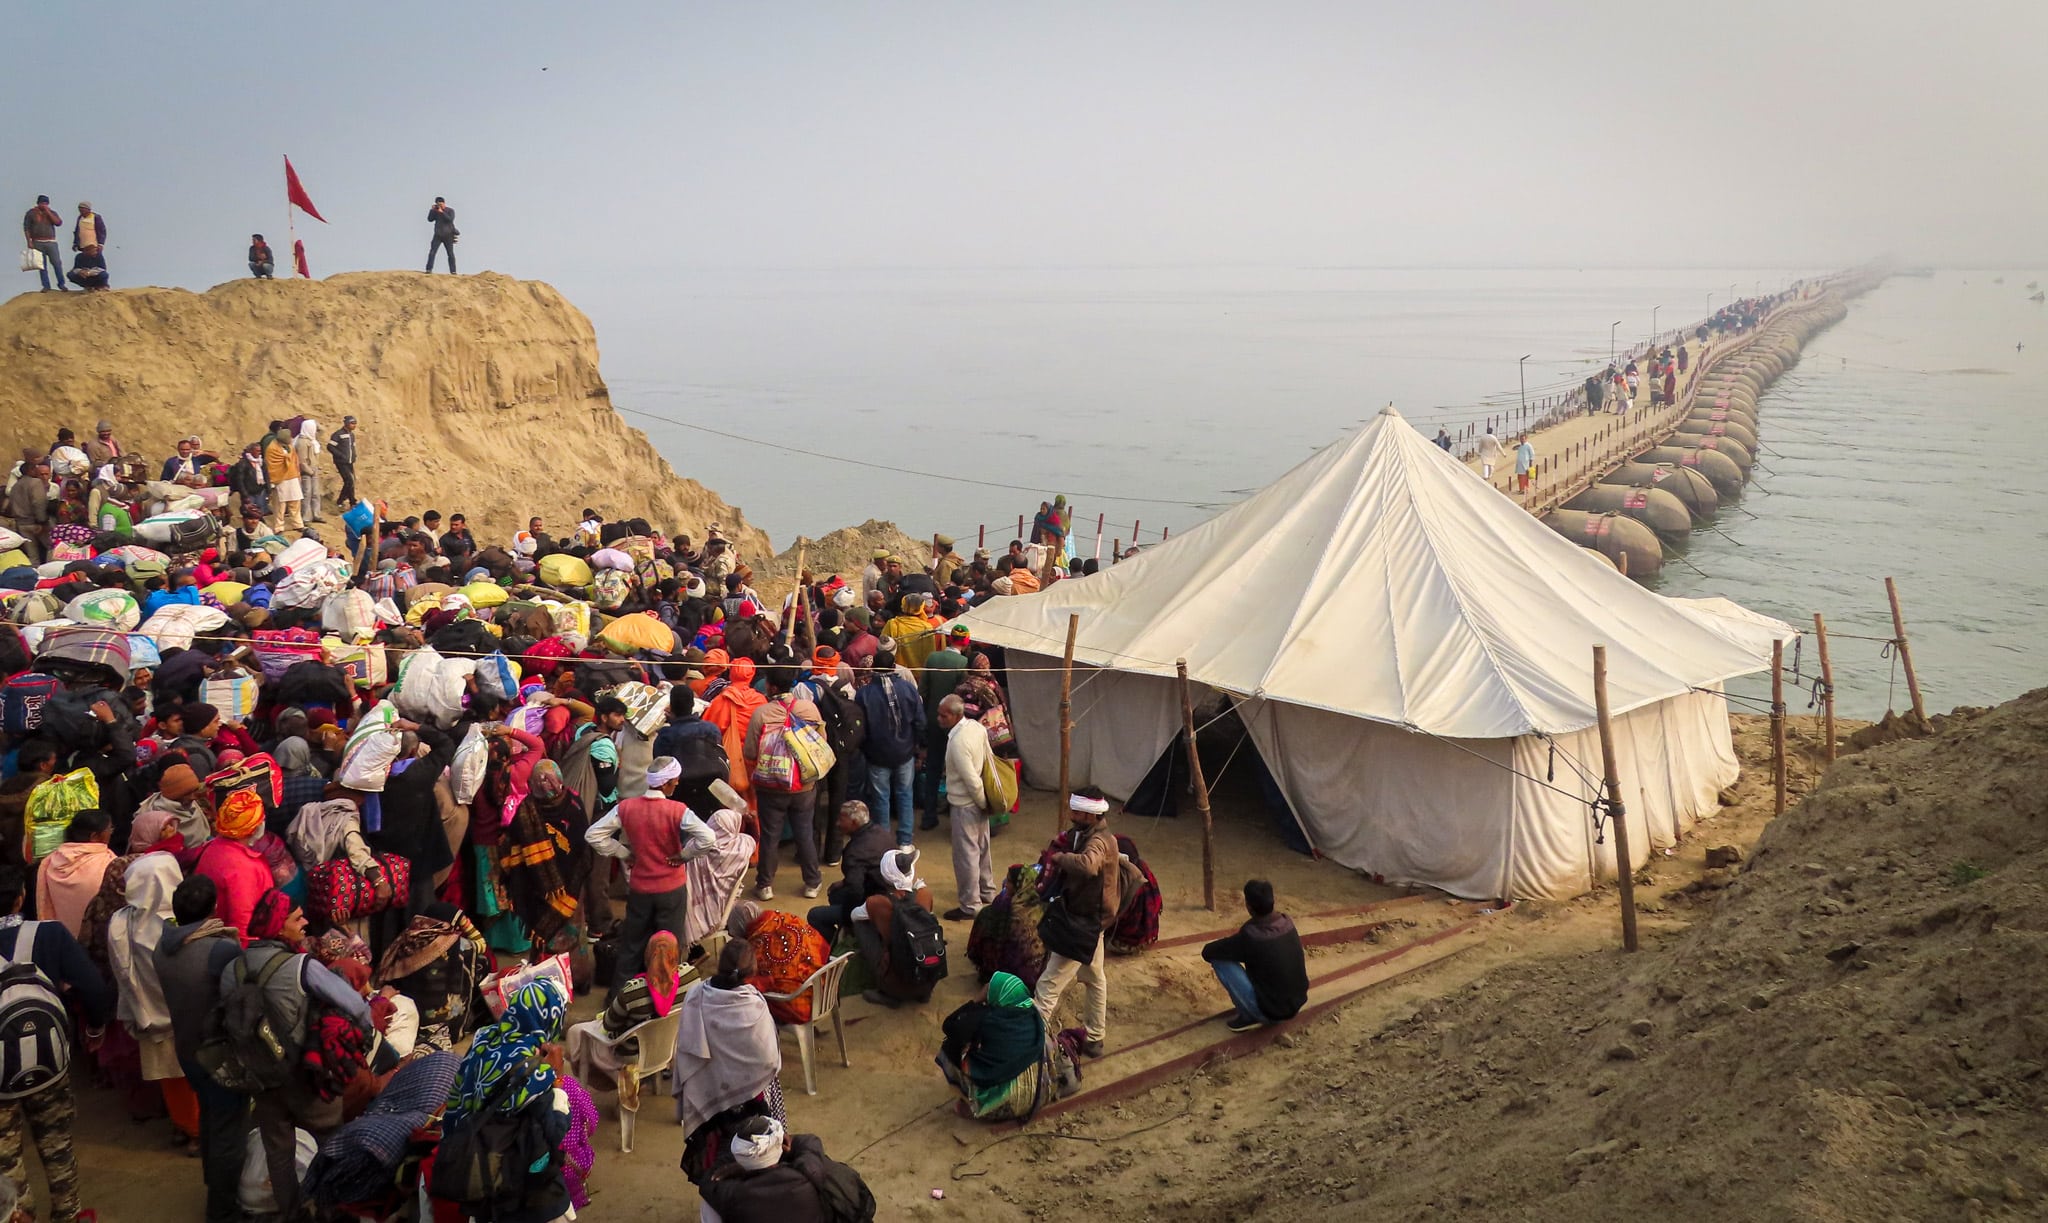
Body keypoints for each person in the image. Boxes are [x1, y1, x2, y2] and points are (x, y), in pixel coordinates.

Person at [232, 890, 373, 1222]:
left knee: (278, 1152)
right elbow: (354, 1005)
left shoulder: (235, 967)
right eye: (297, 918)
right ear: (280, 928)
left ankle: (291, 1215)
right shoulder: (300, 966)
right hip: (305, 1074)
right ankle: (330, 1211)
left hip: (261, 1076)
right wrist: (364, 1036)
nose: (306, 921)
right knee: (330, 1142)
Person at [0, 865, 110, 1223]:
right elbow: (94, 989)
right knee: (56, 1142)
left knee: (7, 1155)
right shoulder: (49, 934)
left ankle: (18, 1214)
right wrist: (94, 1029)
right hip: (49, 1059)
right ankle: (69, 1213)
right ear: (20, 898)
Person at [440, 980, 573, 1223]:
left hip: (473, 1162)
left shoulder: (483, 1039)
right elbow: (555, 1130)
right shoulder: (536, 1072)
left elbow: (459, 1094)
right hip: (513, 1179)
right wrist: (556, 1079)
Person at [156, 875, 246, 1223]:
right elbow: (239, 999)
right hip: (218, 1053)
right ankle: (223, 1209)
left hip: (187, 1048)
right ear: (213, 909)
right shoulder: (219, 949)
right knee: (228, 1130)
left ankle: (216, 1187)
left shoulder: (163, 947)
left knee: (211, 1119)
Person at [584, 755, 717, 988]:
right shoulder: (677, 810)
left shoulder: (626, 807)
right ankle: (664, 999)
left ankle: (618, 999)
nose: (677, 784)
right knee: (669, 947)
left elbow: (593, 834)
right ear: (665, 784)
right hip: (671, 889)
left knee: (632, 945)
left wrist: (624, 853)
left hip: (640, 888)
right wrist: (685, 855)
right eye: (674, 780)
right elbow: (708, 837)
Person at [672, 940, 785, 1187]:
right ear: (751, 973)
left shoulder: (696, 995)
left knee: (716, 1168)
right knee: (755, 1159)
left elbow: (687, 1049)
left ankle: (718, 1199)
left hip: (707, 1094)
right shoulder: (753, 1004)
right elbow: (769, 1060)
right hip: (752, 1103)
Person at [106, 854, 198, 1152]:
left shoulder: (122, 922)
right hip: (183, 1013)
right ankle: (196, 1132)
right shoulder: (179, 924)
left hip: (147, 1012)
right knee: (191, 1075)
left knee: (168, 1075)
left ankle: (180, 1125)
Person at [1032, 789, 1117, 1058]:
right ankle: (1094, 1037)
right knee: (1093, 977)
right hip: (1093, 920)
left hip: (1082, 922)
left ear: (1092, 814)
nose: (1072, 816)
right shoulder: (1086, 834)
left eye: (1077, 812)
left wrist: (1058, 859)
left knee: (1048, 984)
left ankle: (1029, 1043)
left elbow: (1089, 865)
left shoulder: (1100, 841)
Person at [937, 970, 1075, 1122]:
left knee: (950, 1048)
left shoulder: (988, 1020)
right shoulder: (1035, 1017)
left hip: (1002, 1108)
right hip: (1038, 1097)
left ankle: (974, 1105)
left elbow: (949, 1025)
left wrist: (975, 1001)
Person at [566, 930, 684, 1101]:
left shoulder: (632, 991)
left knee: (577, 1032)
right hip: (664, 1049)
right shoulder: (689, 977)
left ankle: (584, 1096)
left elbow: (609, 1024)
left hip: (630, 1056)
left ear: (648, 954)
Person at [697, 1114, 876, 1223]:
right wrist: (784, 1147)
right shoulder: (807, 1172)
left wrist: (740, 1166)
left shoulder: (734, 1194)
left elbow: (706, 1182)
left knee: (708, 1206)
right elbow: (810, 1142)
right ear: (781, 1144)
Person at [741, 668, 824, 902]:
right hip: (804, 785)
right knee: (804, 833)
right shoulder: (809, 708)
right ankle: (812, 882)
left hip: (771, 786)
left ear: (772, 687)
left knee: (769, 836)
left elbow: (749, 751)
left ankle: (765, 885)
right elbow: (820, 743)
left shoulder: (761, 714)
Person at [372, 903, 490, 1053]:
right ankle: (453, 1027)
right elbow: (481, 945)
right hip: (439, 1014)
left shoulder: (409, 936)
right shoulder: (453, 944)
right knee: (481, 963)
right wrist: (463, 922)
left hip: (410, 1013)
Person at [1201, 878, 1309, 1033]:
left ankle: (1249, 1015)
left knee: (1220, 959)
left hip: (1272, 1013)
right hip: (1297, 1003)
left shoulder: (1252, 935)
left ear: (1249, 907)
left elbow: (1208, 952)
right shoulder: (1287, 922)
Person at [853, 848, 939, 1008]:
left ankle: (889, 992)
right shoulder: (925, 894)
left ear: (885, 876)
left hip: (895, 985)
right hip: (928, 975)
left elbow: (854, 916)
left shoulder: (877, 903)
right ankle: (923, 992)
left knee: (860, 924)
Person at [724, 901, 830, 1026]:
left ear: (741, 928)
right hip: (824, 990)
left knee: (738, 998)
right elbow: (822, 946)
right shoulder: (788, 919)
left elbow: (754, 983)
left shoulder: (757, 947)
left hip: (799, 1006)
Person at [938, 695, 994, 922]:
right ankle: (987, 892)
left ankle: (970, 905)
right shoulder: (976, 728)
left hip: (966, 803)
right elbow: (988, 759)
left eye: (944, 715)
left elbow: (972, 779)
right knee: (982, 849)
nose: (939, 719)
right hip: (978, 801)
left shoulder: (958, 741)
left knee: (966, 855)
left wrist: (981, 802)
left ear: (957, 715)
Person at [805, 800, 892, 947]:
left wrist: (850, 919)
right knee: (835, 893)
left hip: (871, 902)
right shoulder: (881, 833)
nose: (837, 823)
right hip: (887, 893)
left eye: (841, 819)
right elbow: (870, 869)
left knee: (815, 915)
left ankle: (840, 946)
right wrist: (843, 883)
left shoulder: (855, 852)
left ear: (854, 823)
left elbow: (855, 891)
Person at [855, 660, 922, 847]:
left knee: (881, 798)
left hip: (877, 755)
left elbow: (861, 728)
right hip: (905, 753)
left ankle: (884, 842)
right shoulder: (908, 688)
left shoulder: (864, 694)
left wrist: (866, 748)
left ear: (873, 669)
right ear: (894, 668)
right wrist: (917, 746)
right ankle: (905, 842)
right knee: (905, 795)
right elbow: (919, 721)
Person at [192, 789, 274, 941]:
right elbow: (242, 925)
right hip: (236, 949)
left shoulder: (214, 847)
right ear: (253, 829)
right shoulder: (243, 867)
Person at [966, 862, 1049, 987]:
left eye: (1009, 881)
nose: (1006, 884)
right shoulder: (1041, 906)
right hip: (1036, 976)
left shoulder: (1007, 905)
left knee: (984, 916)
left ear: (1019, 885)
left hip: (1014, 974)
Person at [35, 808, 114, 937]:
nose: (111, 833)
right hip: (94, 941)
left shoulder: (52, 860)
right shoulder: (108, 863)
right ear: (94, 836)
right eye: (109, 829)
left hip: (61, 939)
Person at [683, 806, 755, 947]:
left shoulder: (696, 847)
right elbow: (755, 838)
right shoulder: (740, 848)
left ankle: (695, 949)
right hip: (725, 908)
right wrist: (751, 822)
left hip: (695, 908)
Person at [263, 419, 304, 531]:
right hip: (280, 479)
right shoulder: (272, 448)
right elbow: (272, 465)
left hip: (292, 478)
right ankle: (279, 526)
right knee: (280, 505)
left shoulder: (290, 446)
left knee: (295, 502)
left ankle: (298, 524)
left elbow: (294, 460)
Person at [21, 195, 64, 292]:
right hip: (37, 241)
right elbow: (26, 228)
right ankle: (46, 285)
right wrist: (29, 241)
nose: (44, 205)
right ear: (38, 203)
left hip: (51, 241)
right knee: (42, 265)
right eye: (42, 203)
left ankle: (61, 284)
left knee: (57, 263)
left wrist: (48, 211)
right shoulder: (31, 213)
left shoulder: (52, 213)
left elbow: (58, 223)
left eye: (46, 203)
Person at [293, 419, 324, 522]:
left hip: (313, 469)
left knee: (315, 493)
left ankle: (316, 514)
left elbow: (322, 430)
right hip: (307, 471)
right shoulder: (302, 442)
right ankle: (305, 516)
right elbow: (302, 461)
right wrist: (310, 471)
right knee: (307, 493)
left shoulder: (311, 440)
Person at [326, 415, 358, 509]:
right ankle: (341, 501)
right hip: (341, 462)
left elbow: (352, 447)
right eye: (352, 423)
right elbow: (330, 447)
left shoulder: (352, 435)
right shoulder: (338, 434)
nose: (354, 425)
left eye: (355, 423)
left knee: (351, 481)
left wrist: (354, 456)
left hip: (349, 462)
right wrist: (340, 456)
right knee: (349, 481)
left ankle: (352, 501)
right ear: (346, 424)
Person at [425, 197, 459, 273]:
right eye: (438, 204)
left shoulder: (450, 210)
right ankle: (429, 269)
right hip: (438, 235)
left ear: (444, 203)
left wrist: (442, 212)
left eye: (441, 204)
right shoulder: (435, 211)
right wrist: (432, 210)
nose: (440, 206)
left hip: (448, 235)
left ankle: (453, 271)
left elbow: (450, 219)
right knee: (432, 252)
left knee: (450, 254)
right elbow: (430, 219)